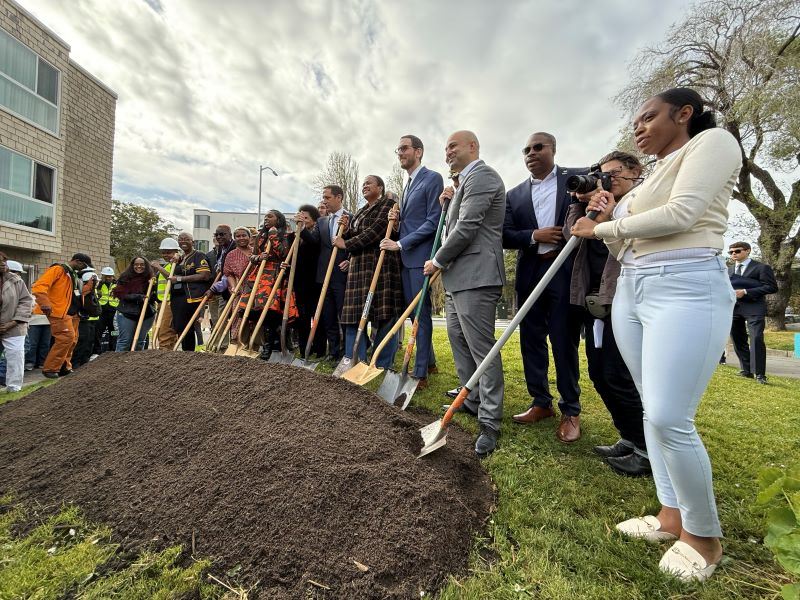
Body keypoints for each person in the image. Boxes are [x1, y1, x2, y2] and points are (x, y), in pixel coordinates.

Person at [570, 87, 741, 581]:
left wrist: (600, 230)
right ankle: (670, 516)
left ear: (683, 114)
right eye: (636, 121)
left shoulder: (711, 143)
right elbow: (626, 250)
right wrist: (606, 218)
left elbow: (683, 214)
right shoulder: (643, 185)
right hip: (635, 289)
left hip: (686, 287)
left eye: (649, 117)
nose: (639, 127)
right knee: (651, 407)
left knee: (670, 415)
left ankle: (704, 536)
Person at [564, 151, 650, 476]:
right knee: (599, 373)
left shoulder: (641, 202)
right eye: (603, 175)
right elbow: (571, 233)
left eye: (613, 175)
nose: (606, 180)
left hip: (624, 300)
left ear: (635, 173)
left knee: (619, 374)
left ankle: (646, 448)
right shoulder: (598, 207)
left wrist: (610, 217)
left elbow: (637, 242)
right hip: (595, 301)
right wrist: (580, 203)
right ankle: (629, 437)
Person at [424, 130, 506, 457]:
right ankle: (471, 399)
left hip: (476, 275)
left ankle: (490, 420)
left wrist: (438, 260)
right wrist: (449, 200)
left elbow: (468, 226)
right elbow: (454, 222)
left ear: (473, 147)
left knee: (482, 350)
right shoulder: (462, 184)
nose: (447, 153)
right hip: (459, 278)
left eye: (452, 146)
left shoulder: (482, 176)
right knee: (460, 343)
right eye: (445, 148)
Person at [503, 132, 585, 443]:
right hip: (531, 271)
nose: (531, 153)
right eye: (526, 149)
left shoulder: (577, 180)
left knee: (564, 340)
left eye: (539, 147)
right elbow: (505, 235)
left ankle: (571, 410)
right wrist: (534, 235)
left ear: (553, 149)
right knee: (531, 339)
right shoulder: (514, 195)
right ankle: (541, 402)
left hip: (564, 270)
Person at [379, 135, 444, 388]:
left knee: (420, 314)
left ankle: (420, 374)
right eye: (398, 149)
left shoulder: (432, 178)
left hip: (419, 257)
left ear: (418, 151)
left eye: (404, 148)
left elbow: (433, 221)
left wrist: (401, 243)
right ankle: (429, 363)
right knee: (415, 314)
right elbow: (413, 219)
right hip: (406, 259)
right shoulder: (407, 184)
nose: (400, 153)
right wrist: (396, 217)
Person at [335, 175, 403, 367]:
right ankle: (355, 360)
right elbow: (357, 233)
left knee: (383, 316)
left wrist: (346, 243)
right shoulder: (360, 211)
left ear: (380, 187)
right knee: (353, 316)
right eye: (363, 184)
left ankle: (381, 363)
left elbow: (375, 232)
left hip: (379, 266)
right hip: (358, 269)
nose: (364, 186)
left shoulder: (388, 204)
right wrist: (347, 229)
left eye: (369, 183)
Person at [301, 185, 351, 361]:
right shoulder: (322, 221)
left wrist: (350, 260)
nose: (324, 201)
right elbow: (314, 241)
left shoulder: (350, 218)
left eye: (327, 197)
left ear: (339, 198)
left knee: (343, 314)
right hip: (323, 276)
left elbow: (357, 241)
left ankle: (347, 351)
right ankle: (333, 351)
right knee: (327, 315)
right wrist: (302, 229)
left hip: (341, 274)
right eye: (323, 197)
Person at [238, 210, 297, 359]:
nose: (266, 218)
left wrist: (273, 234)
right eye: (265, 216)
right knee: (256, 310)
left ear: (279, 219)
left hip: (276, 275)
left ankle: (277, 343)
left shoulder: (286, 235)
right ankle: (266, 344)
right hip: (260, 275)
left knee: (273, 310)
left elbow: (284, 253)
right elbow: (253, 256)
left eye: (270, 216)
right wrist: (258, 257)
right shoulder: (260, 237)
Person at [32, 253, 93, 378]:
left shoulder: (73, 274)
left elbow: (75, 294)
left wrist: (90, 287)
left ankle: (64, 367)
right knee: (66, 338)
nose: (84, 269)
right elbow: (39, 286)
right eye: (84, 265)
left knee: (72, 340)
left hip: (73, 313)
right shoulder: (58, 270)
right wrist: (45, 303)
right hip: (59, 312)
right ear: (78, 261)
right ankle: (50, 368)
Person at [727, 241, 777, 384]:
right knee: (737, 339)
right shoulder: (729, 270)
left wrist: (746, 291)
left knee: (756, 338)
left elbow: (771, 287)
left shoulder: (762, 268)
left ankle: (760, 374)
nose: (733, 254)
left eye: (737, 251)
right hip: (734, 307)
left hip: (754, 306)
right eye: (731, 252)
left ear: (748, 251)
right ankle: (746, 370)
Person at [293, 204, 327, 358]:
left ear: (314, 220)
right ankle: (304, 348)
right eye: (301, 217)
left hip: (314, 282)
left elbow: (313, 243)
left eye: (306, 218)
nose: (303, 220)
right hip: (299, 283)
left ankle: (319, 349)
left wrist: (302, 229)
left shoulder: (317, 232)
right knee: (302, 317)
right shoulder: (295, 236)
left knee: (316, 316)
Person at [169, 232, 211, 352]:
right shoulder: (179, 258)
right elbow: (171, 276)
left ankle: (189, 353)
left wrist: (180, 279)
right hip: (177, 298)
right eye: (180, 239)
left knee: (188, 327)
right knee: (179, 327)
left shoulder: (199, 256)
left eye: (186, 239)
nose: (183, 241)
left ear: (193, 242)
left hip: (192, 297)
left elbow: (204, 275)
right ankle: (185, 352)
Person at [0, 252, 33, 392]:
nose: (3, 264)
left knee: (15, 355)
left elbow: (26, 301)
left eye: (4, 261)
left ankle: (13, 387)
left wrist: (13, 322)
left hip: (13, 326)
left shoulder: (16, 280)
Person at [113, 257, 156, 351]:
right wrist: (139, 297)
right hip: (127, 313)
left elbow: (155, 296)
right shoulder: (125, 277)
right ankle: (119, 364)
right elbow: (121, 294)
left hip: (146, 314)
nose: (139, 266)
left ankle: (135, 364)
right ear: (132, 265)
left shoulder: (151, 278)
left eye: (142, 264)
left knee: (140, 341)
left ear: (146, 266)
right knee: (125, 341)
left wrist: (151, 287)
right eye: (136, 264)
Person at [218, 226, 253, 342]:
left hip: (256, 289)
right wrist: (233, 286)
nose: (241, 238)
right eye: (238, 236)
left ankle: (255, 344)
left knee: (254, 316)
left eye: (244, 235)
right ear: (234, 238)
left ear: (250, 237)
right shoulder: (231, 255)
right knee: (238, 316)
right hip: (240, 289)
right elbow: (228, 274)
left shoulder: (256, 252)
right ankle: (237, 341)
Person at [205, 225, 235, 349]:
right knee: (217, 319)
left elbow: (228, 274)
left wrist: (213, 288)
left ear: (230, 235)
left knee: (224, 320)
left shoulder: (233, 249)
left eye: (222, 234)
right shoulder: (222, 250)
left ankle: (223, 346)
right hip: (222, 290)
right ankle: (218, 345)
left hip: (230, 289)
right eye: (217, 235)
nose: (219, 237)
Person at [150, 238, 181, 349]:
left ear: (176, 252)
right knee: (164, 330)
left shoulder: (177, 264)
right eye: (163, 252)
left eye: (169, 252)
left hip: (169, 302)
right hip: (162, 301)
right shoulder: (167, 265)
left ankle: (164, 352)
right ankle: (169, 353)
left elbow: (171, 277)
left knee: (164, 331)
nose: (165, 255)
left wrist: (158, 267)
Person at [94, 267, 118, 353]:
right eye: (107, 276)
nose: (109, 278)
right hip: (102, 312)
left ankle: (113, 349)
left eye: (110, 276)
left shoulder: (117, 285)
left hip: (113, 312)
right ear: (103, 276)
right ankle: (97, 351)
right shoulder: (98, 285)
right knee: (99, 331)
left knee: (114, 332)